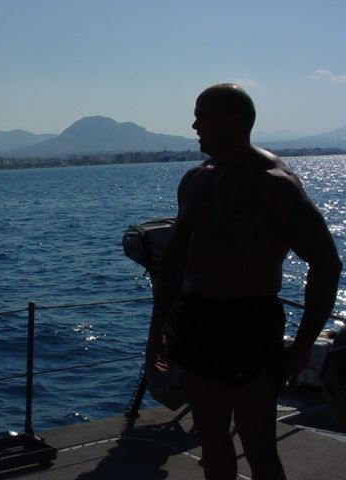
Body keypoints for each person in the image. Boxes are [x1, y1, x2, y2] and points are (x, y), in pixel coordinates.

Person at [145, 84, 342, 480]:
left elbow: (326, 263)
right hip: (198, 320)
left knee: (259, 447)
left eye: (203, 117)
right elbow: (174, 259)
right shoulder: (195, 181)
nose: (194, 126)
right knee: (212, 442)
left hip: (250, 324)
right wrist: (157, 327)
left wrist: (304, 342)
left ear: (232, 122)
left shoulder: (274, 184)